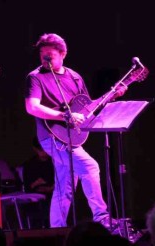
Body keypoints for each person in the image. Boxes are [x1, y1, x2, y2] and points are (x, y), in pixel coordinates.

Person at [24, 33, 124, 229]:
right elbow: (32, 107)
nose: (45, 59)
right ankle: (102, 217)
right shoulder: (35, 77)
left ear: (63, 54)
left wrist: (110, 96)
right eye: (42, 55)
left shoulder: (74, 77)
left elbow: (87, 107)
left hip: (70, 136)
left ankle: (57, 229)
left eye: (50, 55)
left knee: (65, 186)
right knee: (90, 167)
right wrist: (64, 116)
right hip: (52, 137)